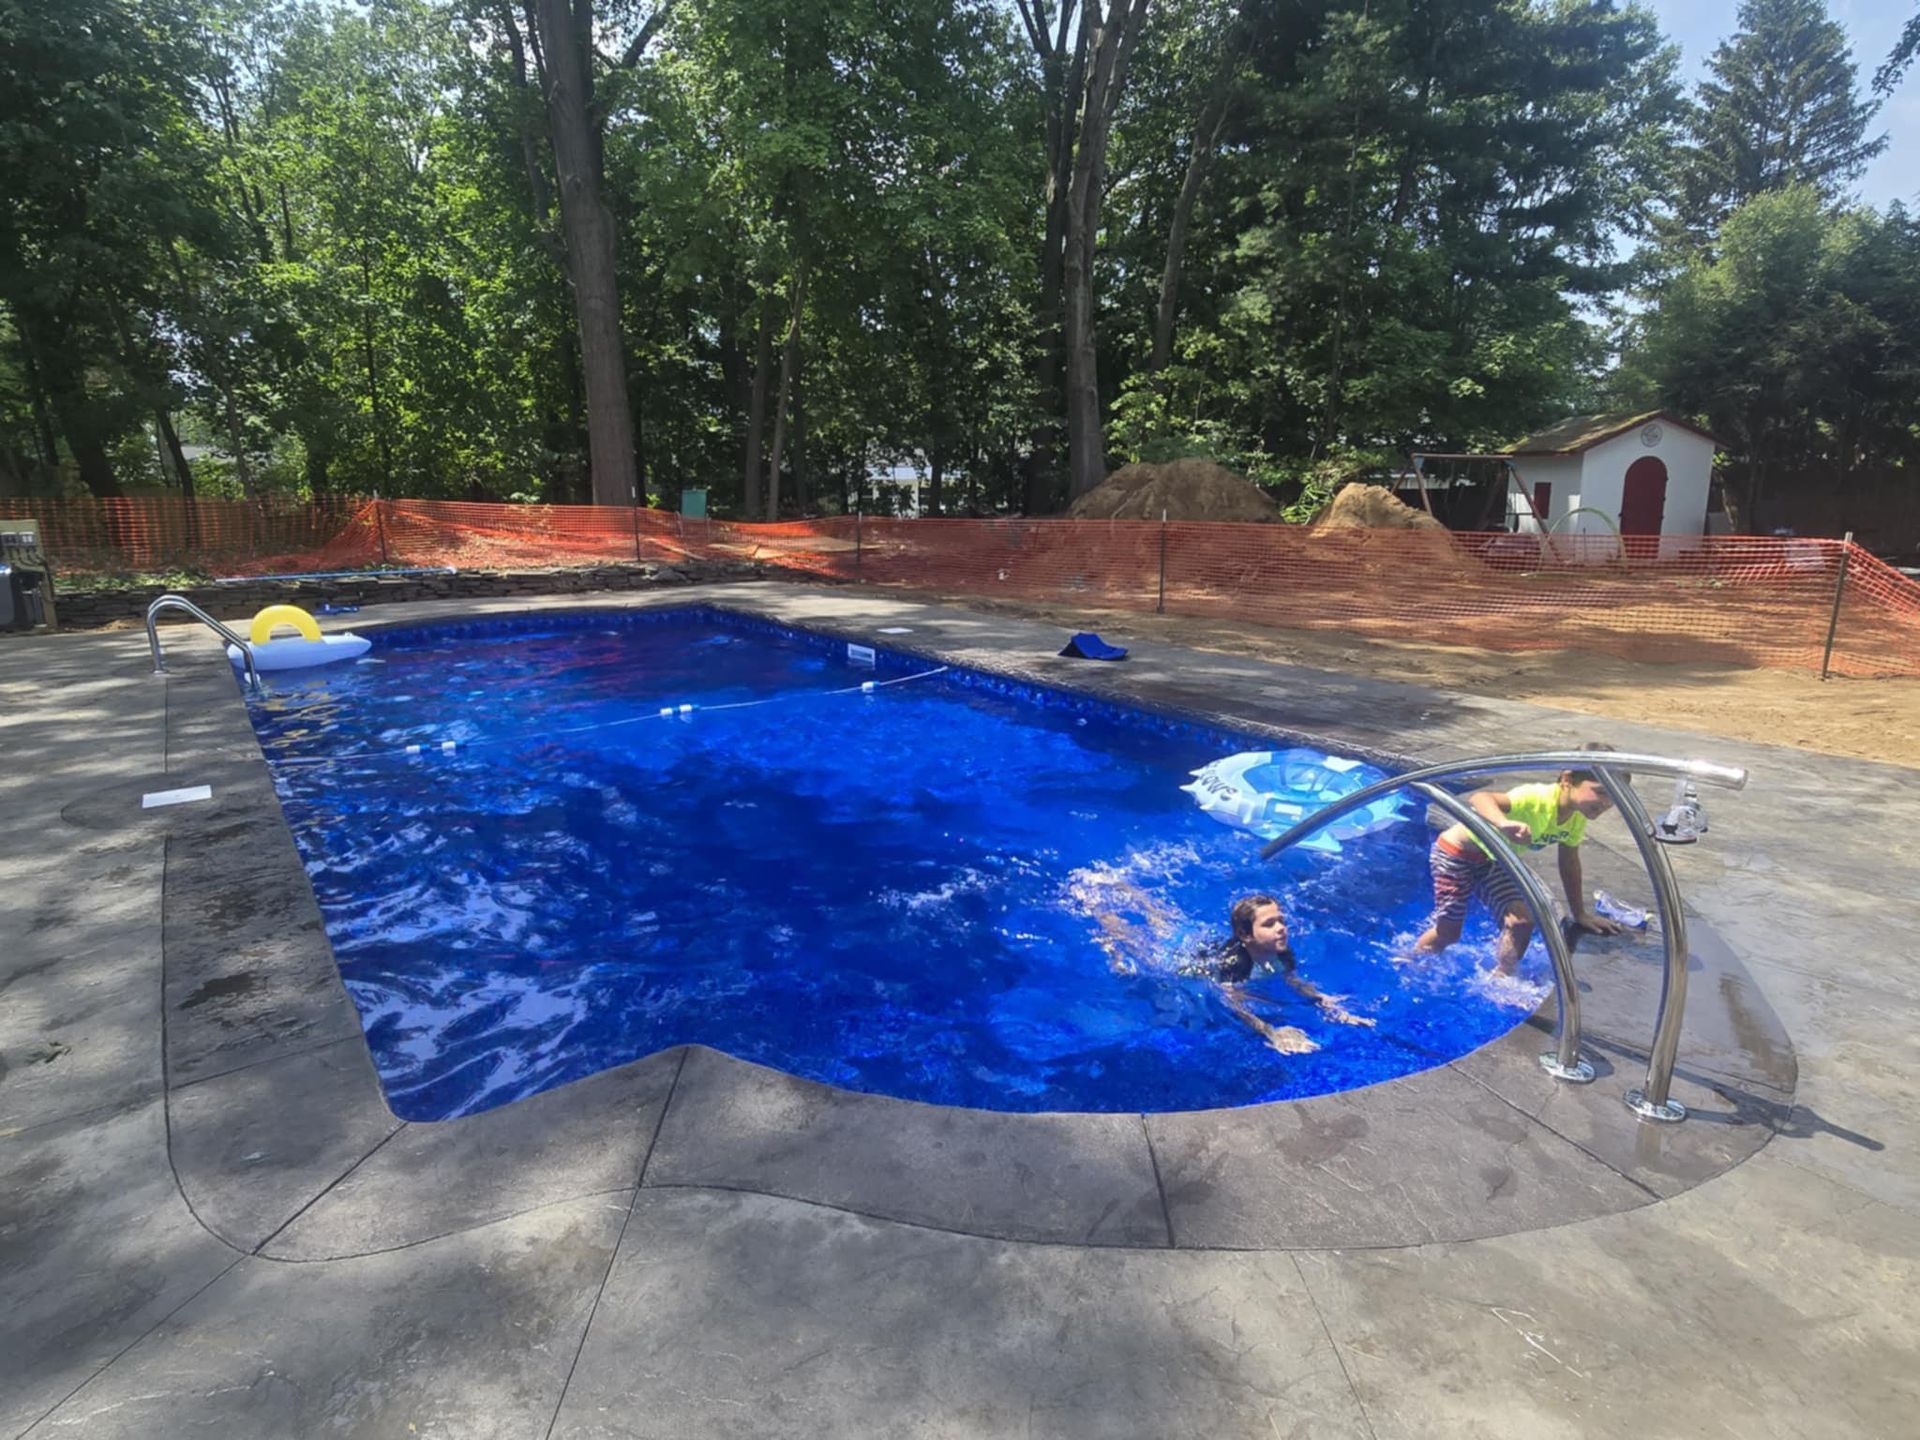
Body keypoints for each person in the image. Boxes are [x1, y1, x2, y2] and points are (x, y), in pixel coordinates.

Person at [1413, 744, 1627, 977]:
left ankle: (1502, 977)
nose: (1607, 803)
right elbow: (1480, 798)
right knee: (1449, 933)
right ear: (1567, 779)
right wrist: (1502, 823)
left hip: (1492, 860)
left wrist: (1580, 914)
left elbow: (1569, 864)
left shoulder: (1576, 817)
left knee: (1522, 921)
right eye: (1601, 792)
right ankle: (1410, 962)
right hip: (1455, 855)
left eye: (1614, 796)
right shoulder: (1536, 798)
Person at [1182, 894, 1374, 1053]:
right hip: (1198, 962)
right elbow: (1234, 1005)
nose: (1281, 928)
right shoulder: (1234, 964)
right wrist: (1270, 1032)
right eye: (1269, 924)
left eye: (1281, 921)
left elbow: (1293, 980)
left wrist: (1323, 1001)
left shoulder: (1282, 952)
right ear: (1245, 934)